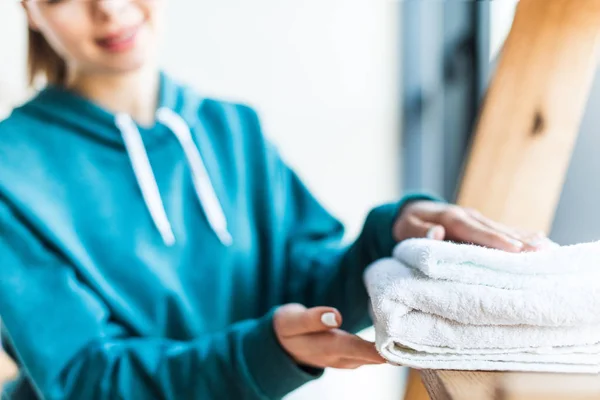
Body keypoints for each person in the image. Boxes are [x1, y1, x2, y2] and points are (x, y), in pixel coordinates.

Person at [0, 1, 551, 399]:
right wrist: (257, 355)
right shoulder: (11, 171)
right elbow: (81, 380)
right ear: (30, 10)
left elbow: (311, 285)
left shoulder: (233, 129)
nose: (108, 9)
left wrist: (390, 236)